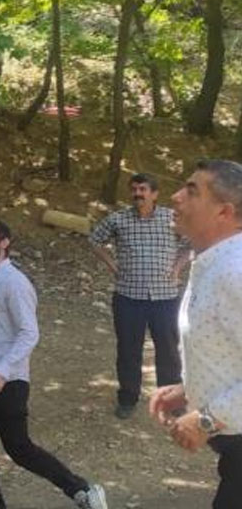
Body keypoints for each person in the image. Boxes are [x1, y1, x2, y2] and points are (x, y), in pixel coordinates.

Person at [0, 217, 109, 509]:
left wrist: (1, 373)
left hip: (8, 379)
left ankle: (83, 490)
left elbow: (29, 333)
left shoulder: (15, 283)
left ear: (4, 243)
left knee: (18, 448)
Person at [150, 160, 242, 509]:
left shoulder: (236, 271)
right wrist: (190, 390)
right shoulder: (214, 263)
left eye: (192, 190)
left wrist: (206, 418)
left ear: (224, 212)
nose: (175, 197)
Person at [90, 173, 190, 419]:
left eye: (143, 189)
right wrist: (113, 266)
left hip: (165, 298)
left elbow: (192, 243)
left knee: (168, 350)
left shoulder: (171, 217)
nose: (138, 193)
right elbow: (94, 240)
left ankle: (171, 401)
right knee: (128, 350)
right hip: (128, 297)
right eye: (134, 189)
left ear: (154, 194)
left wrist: (177, 268)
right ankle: (127, 398)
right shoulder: (118, 219)